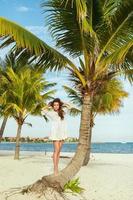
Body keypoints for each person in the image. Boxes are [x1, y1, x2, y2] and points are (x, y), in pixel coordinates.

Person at [41, 98, 72, 175]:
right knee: (56, 150)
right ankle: (55, 169)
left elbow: (70, 106)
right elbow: (42, 110)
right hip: (55, 133)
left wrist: (63, 102)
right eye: (54, 105)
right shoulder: (50, 112)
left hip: (62, 132)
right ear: (52, 106)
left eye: (57, 105)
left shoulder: (62, 112)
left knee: (58, 152)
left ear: (59, 105)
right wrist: (48, 106)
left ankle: (56, 167)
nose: (56, 106)